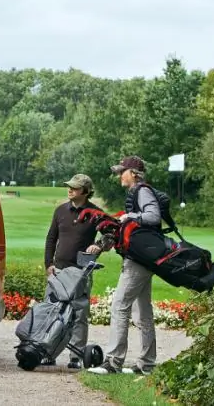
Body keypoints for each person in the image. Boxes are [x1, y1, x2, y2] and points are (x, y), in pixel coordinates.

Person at [88, 155, 159, 375]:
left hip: (138, 261)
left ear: (134, 174)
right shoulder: (136, 192)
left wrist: (130, 216)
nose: (120, 175)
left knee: (119, 305)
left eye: (122, 171)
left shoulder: (142, 191)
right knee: (142, 312)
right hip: (144, 258)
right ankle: (146, 364)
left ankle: (113, 362)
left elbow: (154, 216)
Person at [43, 173, 110, 369]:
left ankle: (76, 356)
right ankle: (49, 352)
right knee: (53, 312)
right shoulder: (60, 211)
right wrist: (49, 264)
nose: (70, 189)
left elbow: (111, 235)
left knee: (79, 314)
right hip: (59, 270)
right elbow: (50, 239)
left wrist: (99, 245)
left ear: (86, 191)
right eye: (69, 186)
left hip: (82, 272)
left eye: (75, 187)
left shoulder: (95, 213)